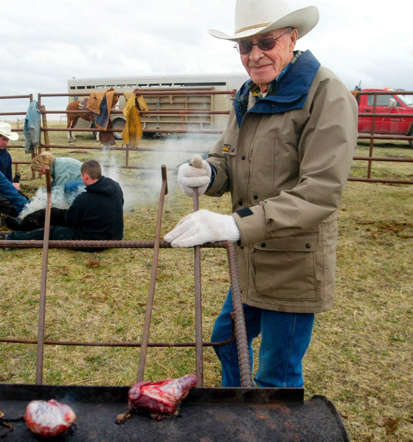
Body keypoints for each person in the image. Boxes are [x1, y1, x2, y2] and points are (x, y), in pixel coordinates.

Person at [165, 0, 357, 388]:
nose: (255, 55)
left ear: (292, 38)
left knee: (277, 375)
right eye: (244, 46)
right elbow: (227, 159)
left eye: (265, 42)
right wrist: (206, 173)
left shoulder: (327, 95)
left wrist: (235, 225)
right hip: (251, 261)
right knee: (225, 340)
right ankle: (240, 410)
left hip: (292, 265)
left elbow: (320, 193)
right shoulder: (250, 94)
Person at [0, 160, 124, 250]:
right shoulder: (115, 186)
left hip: (93, 241)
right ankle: (22, 225)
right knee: (54, 212)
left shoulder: (84, 199)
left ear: (85, 176)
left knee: (53, 232)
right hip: (114, 235)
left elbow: (70, 221)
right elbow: (120, 204)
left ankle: (11, 239)